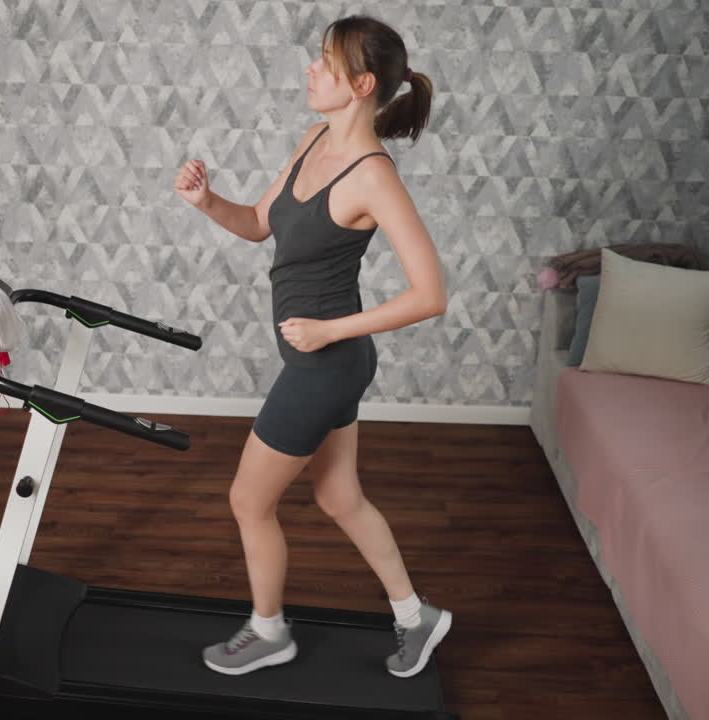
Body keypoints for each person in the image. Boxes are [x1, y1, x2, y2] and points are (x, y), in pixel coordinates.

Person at [173, 14, 450, 679]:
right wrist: (207, 201)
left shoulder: (372, 176)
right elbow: (259, 224)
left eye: (324, 64)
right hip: (322, 360)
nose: (310, 70)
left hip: (327, 364)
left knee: (248, 501)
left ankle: (269, 632)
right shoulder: (312, 139)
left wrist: (328, 332)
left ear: (359, 84)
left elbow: (431, 295)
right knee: (339, 497)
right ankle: (417, 616)